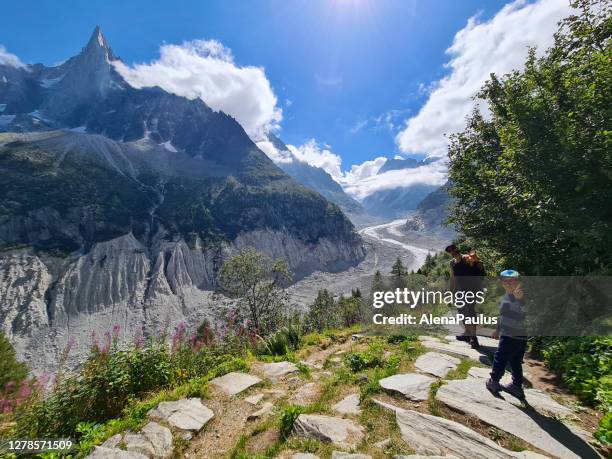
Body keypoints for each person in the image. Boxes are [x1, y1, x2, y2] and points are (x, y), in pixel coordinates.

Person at [486, 269, 528, 400]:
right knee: (515, 361)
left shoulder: (520, 296)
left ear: (519, 282)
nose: (510, 284)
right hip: (517, 335)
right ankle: (516, 386)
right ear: (502, 283)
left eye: (513, 281)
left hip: (512, 335)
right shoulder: (505, 297)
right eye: (506, 282)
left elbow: (525, 311)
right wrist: (497, 330)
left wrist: (520, 300)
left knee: (500, 358)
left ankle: (494, 381)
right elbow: (503, 316)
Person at [445, 244, 486, 349]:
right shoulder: (452, 263)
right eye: (450, 251)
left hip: (471, 290)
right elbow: (452, 278)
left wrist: (477, 261)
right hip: (459, 291)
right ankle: (467, 334)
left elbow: (480, 268)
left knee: (470, 311)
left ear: (457, 249)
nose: (453, 252)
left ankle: (474, 338)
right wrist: (450, 294)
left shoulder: (467, 258)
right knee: (462, 312)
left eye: (453, 249)